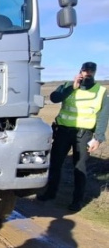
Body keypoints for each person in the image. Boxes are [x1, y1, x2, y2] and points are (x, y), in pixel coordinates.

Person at [38, 61, 108, 211]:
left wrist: (99, 137)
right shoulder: (68, 85)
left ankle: (77, 201)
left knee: (79, 167)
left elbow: (103, 116)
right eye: (85, 71)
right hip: (63, 131)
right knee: (55, 163)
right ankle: (50, 193)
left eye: (91, 71)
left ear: (95, 73)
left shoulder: (101, 92)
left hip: (84, 134)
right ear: (80, 71)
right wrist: (72, 87)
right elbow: (54, 98)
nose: (87, 74)